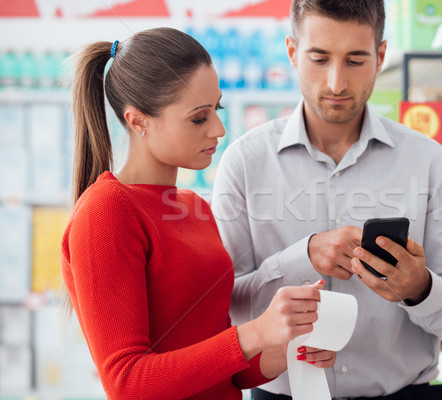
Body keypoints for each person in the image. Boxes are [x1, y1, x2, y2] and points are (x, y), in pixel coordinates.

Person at [211, 1, 442, 399]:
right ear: (292, 52)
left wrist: (419, 288)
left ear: (380, 56)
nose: (336, 83)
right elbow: (223, 307)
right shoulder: (244, 160)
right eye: (319, 59)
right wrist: (302, 256)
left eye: (355, 61)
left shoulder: (427, 161)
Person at [60, 27, 336, 400]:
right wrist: (256, 332)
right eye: (198, 118)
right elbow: (127, 383)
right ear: (139, 121)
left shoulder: (193, 208)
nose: (219, 129)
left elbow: (225, 372)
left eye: (217, 109)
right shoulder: (106, 211)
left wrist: (287, 348)